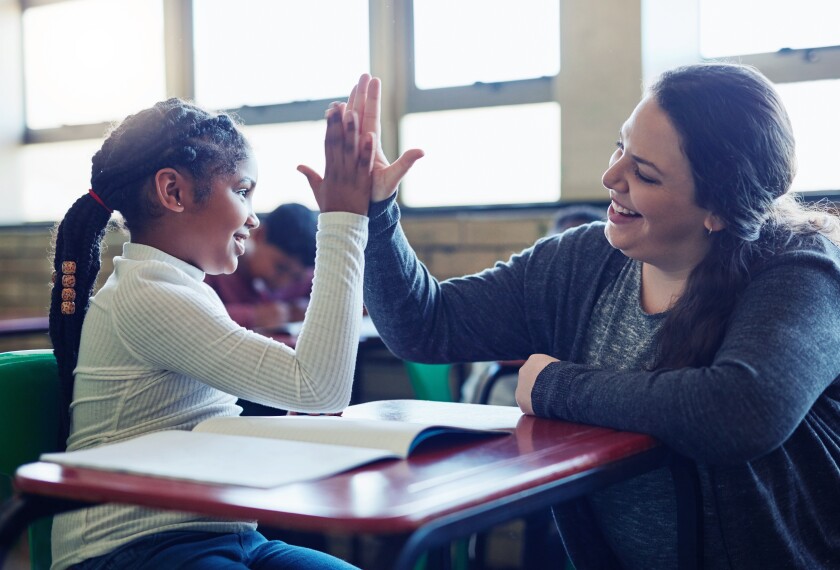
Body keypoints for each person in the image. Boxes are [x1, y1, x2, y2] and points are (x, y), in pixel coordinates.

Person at [342, 64, 840, 568]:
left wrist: (553, 386)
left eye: (644, 173)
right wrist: (377, 212)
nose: (610, 178)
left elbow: (741, 412)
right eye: (619, 147)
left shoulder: (800, 268)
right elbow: (424, 326)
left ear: (718, 209)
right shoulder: (580, 261)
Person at [46, 78, 412, 569]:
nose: (254, 219)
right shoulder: (148, 295)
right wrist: (344, 219)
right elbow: (319, 387)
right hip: (131, 549)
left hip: (225, 533)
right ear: (173, 190)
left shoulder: (179, 285)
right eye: (243, 190)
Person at [204, 202, 318, 332]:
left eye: (296, 278)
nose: (283, 282)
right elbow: (195, 314)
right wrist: (254, 316)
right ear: (259, 235)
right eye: (280, 268)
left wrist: (310, 308)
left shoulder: (306, 276)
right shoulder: (214, 265)